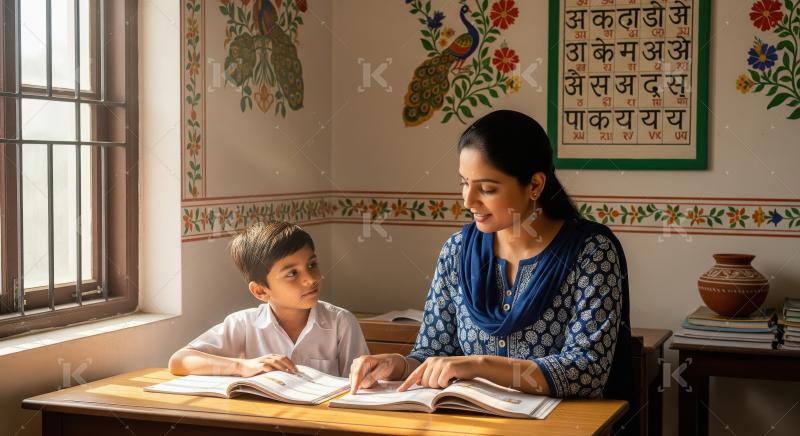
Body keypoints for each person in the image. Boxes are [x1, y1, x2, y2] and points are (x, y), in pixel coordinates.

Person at [350, 110, 632, 401]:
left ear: (535, 185)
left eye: (486, 188)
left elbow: (586, 371)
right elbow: (434, 354)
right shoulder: (457, 251)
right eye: (464, 182)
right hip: (470, 425)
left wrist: (479, 365)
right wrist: (397, 364)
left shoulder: (591, 253)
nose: (468, 200)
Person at [169, 221, 369, 378]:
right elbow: (179, 361)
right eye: (292, 274)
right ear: (260, 292)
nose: (311, 279)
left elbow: (362, 383)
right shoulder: (243, 324)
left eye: (312, 265)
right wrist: (242, 366)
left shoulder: (341, 323)